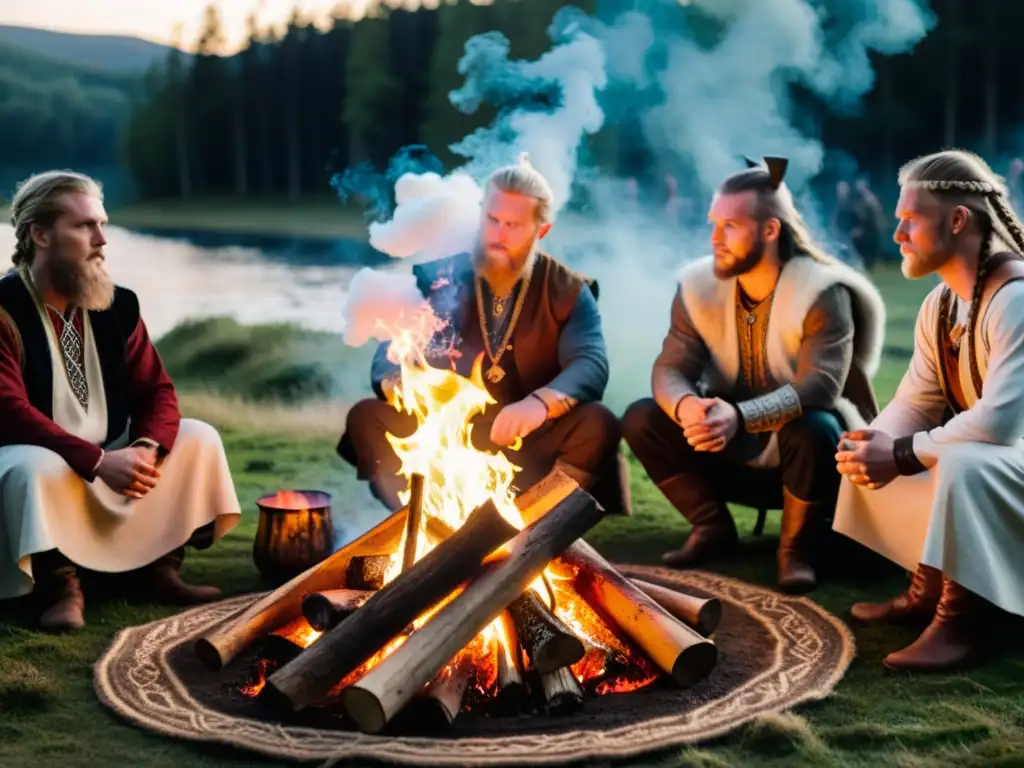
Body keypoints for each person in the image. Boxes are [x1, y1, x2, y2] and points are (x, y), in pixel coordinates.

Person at [622, 157, 885, 592]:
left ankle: (796, 550)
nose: (714, 238)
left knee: (814, 425)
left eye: (730, 226)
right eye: (713, 224)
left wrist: (738, 417)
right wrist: (689, 408)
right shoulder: (697, 286)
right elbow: (671, 366)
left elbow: (820, 384)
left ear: (769, 230)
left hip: (810, 464)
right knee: (642, 416)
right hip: (726, 450)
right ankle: (711, 526)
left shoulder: (821, 291)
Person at [0, 171, 242, 631]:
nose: (101, 240)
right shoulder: (4, 310)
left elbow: (157, 391)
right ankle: (60, 586)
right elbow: (8, 412)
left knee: (195, 436)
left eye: (103, 225)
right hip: (35, 458)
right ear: (40, 234)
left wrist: (146, 449)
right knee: (31, 466)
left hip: (108, 455)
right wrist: (96, 461)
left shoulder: (117, 305)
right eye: (84, 226)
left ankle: (157, 567)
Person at [337, 156, 629, 517]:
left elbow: (591, 364)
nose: (498, 234)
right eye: (491, 219)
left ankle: (536, 530)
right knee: (368, 417)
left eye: (513, 225)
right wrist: (401, 383)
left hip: (528, 445)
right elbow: (389, 346)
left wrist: (538, 405)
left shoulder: (567, 290)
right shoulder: (442, 276)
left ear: (542, 231)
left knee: (597, 423)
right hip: (446, 438)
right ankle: (422, 523)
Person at [834, 149, 1024, 672]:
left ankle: (966, 622)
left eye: (910, 220)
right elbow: (916, 401)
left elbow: (1001, 425)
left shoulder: (1016, 298)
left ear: (958, 220)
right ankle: (928, 588)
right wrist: (873, 443)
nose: (897, 234)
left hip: (1012, 458)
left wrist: (899, 454)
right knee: (878, 444)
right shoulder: (940, 304)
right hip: (1006, 465)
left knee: (960, 460)